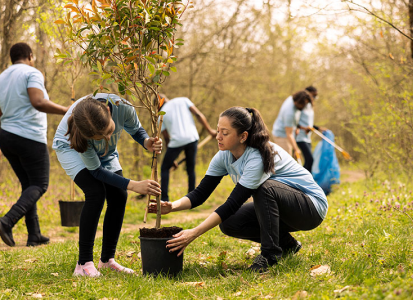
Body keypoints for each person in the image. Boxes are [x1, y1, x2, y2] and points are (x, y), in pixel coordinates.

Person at [149, 107, 328, 273]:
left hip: (310, 208)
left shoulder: (257, 156)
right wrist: (172, 206)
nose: (218, 136)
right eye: (218, 130)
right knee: (230, 222)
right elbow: (200, 194)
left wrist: (194, 233)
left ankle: (270, 255)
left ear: (243, 136)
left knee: (264, 188)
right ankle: (287, 244)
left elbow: (233, 203)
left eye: (225, 133)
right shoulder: (223, 156)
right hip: (285, 207)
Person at [53, 94, 162, 277]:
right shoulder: (80, 132)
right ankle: (84, 264)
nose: (107, 137)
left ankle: (107, 261)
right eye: (101, 136)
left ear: (109, 111)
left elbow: (135, 128)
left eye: (109, 132)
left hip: (107, 153)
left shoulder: (123, 106)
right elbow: (96, 171)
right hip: (70, 148)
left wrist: (146, 142)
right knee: (95, 192)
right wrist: (134, 185)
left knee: (119, 195)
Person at [0, 43, 69, 247]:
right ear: (30, 56)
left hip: (5, 136)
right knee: (40, 184)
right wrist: (68, 110)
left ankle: (34, 234)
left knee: (28, 185)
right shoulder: (32, 72)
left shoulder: (2, 77)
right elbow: (38, 102)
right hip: (29, 136)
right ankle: (7, 220)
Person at [159, 94, 216, 202]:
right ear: (167, 98)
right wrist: (210, 131)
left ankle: (164, 199)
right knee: (190, 168)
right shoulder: (183, 100)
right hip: (192, 138)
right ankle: (192, 198)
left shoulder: (161, 115)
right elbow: (198, 115)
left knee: (165, 168)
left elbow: (166, 139)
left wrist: (172, 160)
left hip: (176, 142)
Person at [271, 91, 312, 159]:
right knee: (287, 160)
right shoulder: (289, 113)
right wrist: (296, 149)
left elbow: (293, 122)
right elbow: (289, 134)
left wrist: (300, 127)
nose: (304, 106)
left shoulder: (292, 98)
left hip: (286, 133)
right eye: (303, 104)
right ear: (296, 102)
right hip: (281, 136)